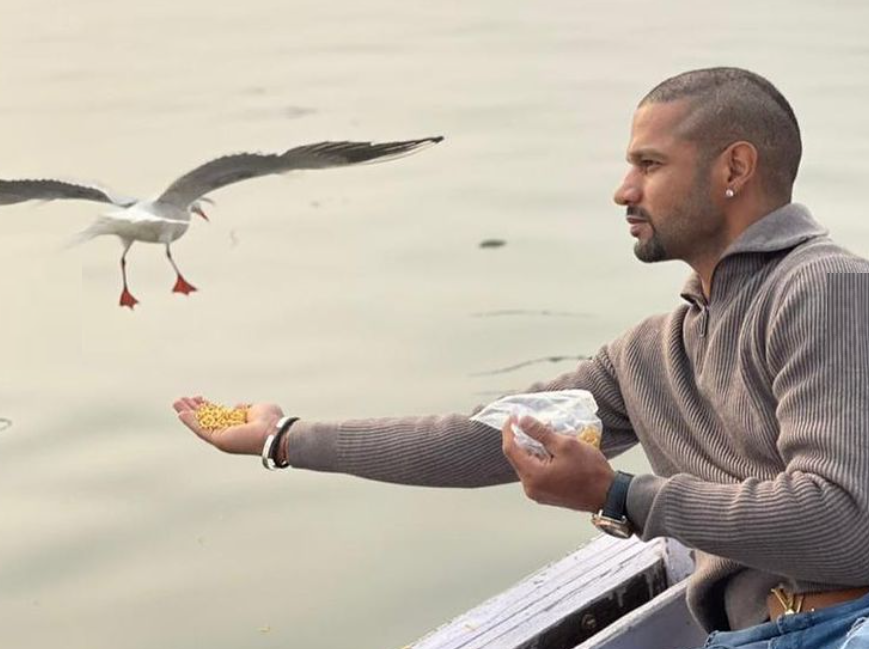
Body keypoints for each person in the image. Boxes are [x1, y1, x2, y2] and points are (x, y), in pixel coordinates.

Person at [174, 67, 869, 648]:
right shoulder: (653, 353)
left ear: (734, 169)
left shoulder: (821, 286)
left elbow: (842, 522)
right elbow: (480, 442)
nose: (622, 189)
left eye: (648, 164)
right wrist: (283, 437)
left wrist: (619, 495)